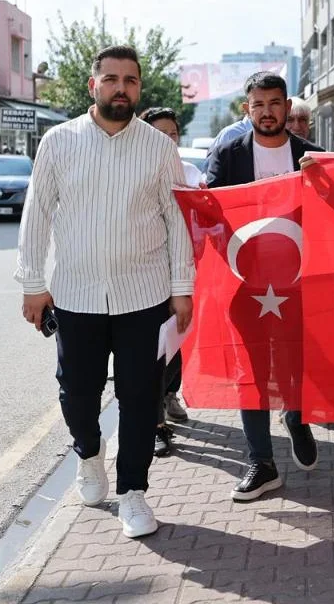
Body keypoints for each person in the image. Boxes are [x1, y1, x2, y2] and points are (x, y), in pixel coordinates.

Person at [16, 45, 195, 540]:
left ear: (139, 88)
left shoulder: (158, 148)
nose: (121, 88)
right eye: (111, 79)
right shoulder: (59, 141)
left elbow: (177, 220)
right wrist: (32, 283)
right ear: (93, 85)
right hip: (76, 296)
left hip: (144, 296)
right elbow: (37, 214)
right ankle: (89, 454)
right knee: (77, 391)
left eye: (130, 80)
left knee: (140, 396)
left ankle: (133, 491)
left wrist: (182, 288)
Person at [205, 72, 324, 502]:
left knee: (297, 364)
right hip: (246, 283)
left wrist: (323, 182)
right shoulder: (228, 154)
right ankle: (262, 463)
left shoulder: (312, 156)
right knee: (250, 372)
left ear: (287, 107)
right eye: (258, 105)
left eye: (275, 103)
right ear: (247, 109)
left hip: (299, 283)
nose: (267, 112)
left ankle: (297, 416)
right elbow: (210, 211)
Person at [140, 107, 199, 459]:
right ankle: (155, 423)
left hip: (184, 277)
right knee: (152, 353)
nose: (168, 140)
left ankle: (167, 394)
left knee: (177, 346)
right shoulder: (136, 172)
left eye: (173, 133)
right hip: (146, 278)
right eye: (159, 133)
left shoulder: (190, 172)